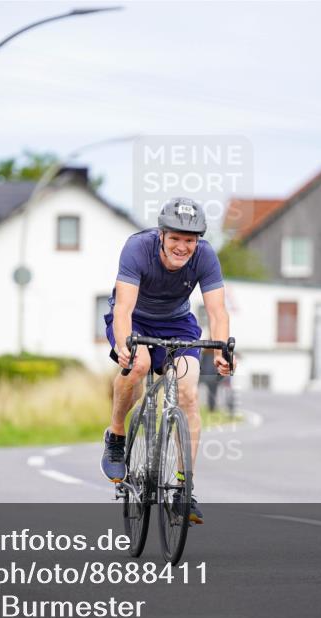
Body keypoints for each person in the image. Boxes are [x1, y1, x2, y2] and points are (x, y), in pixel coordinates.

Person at [100, 197, 234, 525]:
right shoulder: (137, 248)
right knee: (139, 365)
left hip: (177, 324)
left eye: (189, 240)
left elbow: (217, 312)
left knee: (188, 394)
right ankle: (116, 434)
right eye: (175, 238)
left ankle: (183, 491)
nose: (182, 247)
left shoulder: (205, 256)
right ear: (161, 235)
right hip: (135, 319)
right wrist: (124, 345)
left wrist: (220, 352)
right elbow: (123, 309)